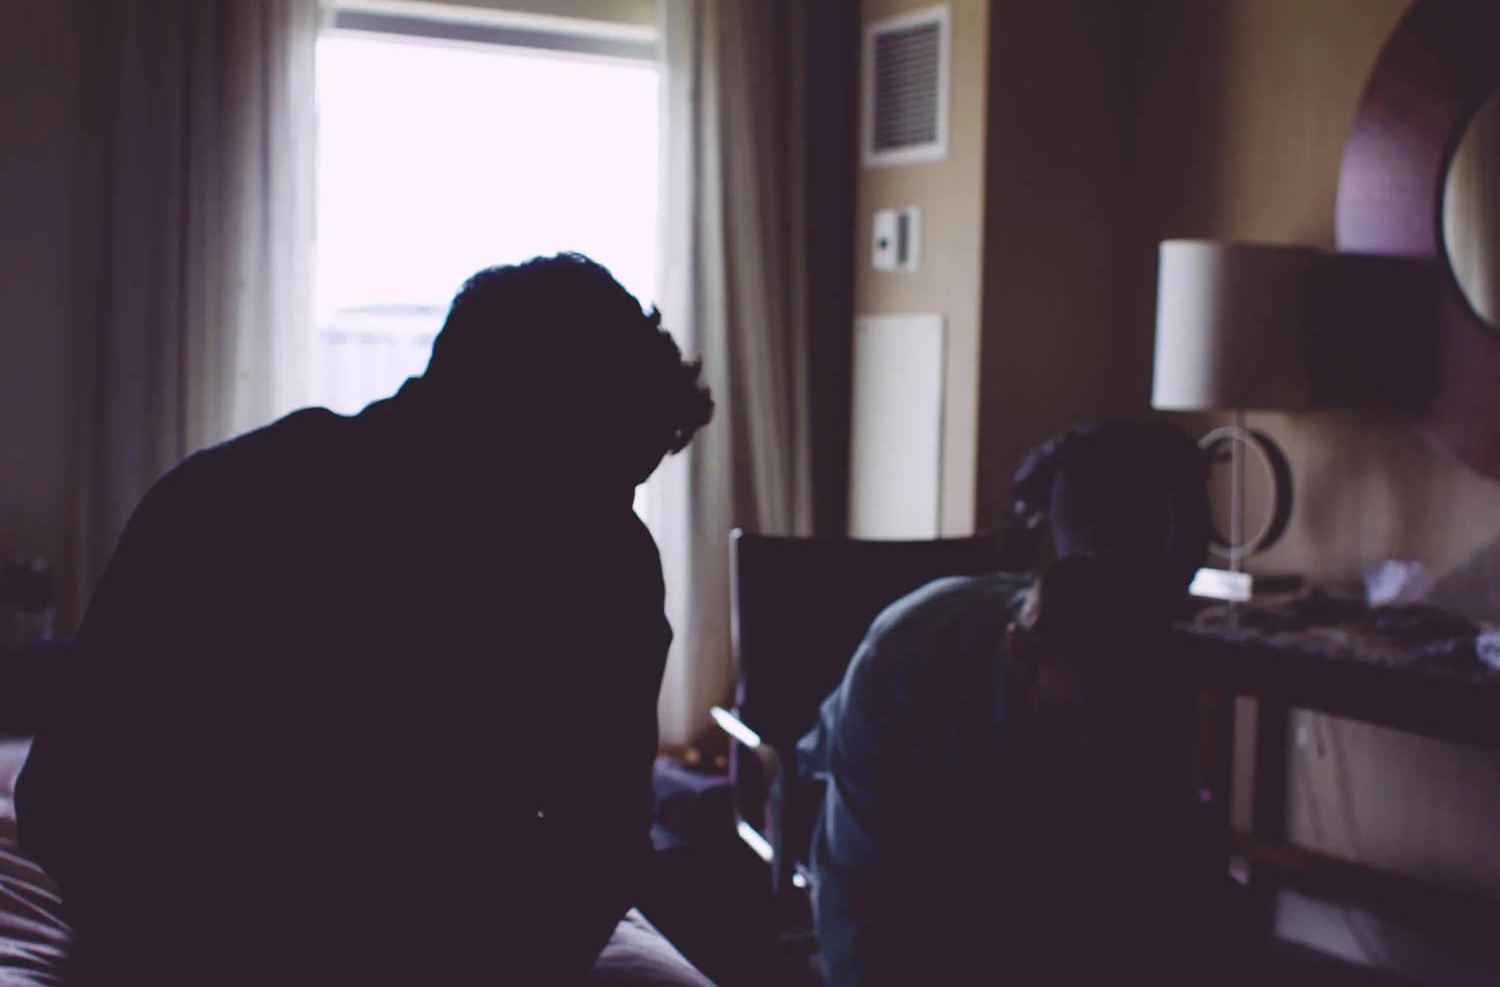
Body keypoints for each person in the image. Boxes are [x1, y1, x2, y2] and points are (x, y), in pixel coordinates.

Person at [17, 253, 714, 985]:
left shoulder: (609, 559)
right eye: (596, 475)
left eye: (628, 486)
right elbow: (67, 798)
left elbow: (601, 844)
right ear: (499, 419)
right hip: (202, 927)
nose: (612, 513)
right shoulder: (223, 510)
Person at [799, 422, 1254, 985]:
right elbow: (855, 896)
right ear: (1020, 650)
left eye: (1108, 727)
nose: (1089, 747)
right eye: (1071, 721)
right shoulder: (901, 661)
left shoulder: (1143, 687)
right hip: (865, 794)